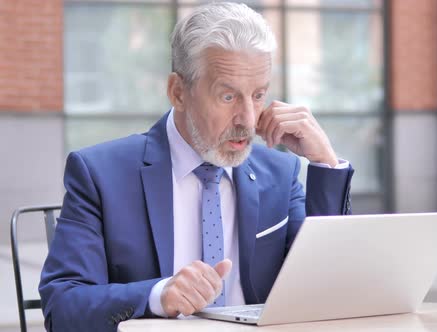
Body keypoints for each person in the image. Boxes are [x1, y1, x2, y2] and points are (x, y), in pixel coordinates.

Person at [39, 2, 354, 331]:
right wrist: (157, 296)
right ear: (178, 92)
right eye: (228, 97)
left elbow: (332, 286)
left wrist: (325, 163)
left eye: (258, 95)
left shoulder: (278, 173)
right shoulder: (100, 174)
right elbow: (63, 308)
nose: (248, 120)